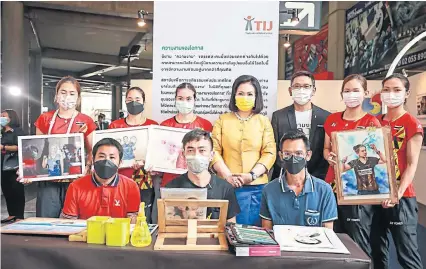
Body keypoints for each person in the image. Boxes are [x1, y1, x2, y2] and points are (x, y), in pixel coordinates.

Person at [323, 74, 381, 259]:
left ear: (366, 93)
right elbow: (326, 148)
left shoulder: (371, 123)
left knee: (357, 240)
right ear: (342, 94)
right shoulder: (332, 119)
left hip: (358, 190)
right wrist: (329, 157)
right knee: (331, 236)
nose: (351, 94)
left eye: (356, 90)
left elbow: (377, 158)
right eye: (347, 91)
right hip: (332, 187)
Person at [23, 76, 97, 218]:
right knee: (46, 220)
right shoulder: (45, 118)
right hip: (49, 179)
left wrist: (87, 167)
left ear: (78, 97)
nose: (67, 96)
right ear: (56, 95)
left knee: (74, 220)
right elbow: (36, 149)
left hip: (76, 180)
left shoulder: (85, 121)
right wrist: (28, 170)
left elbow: (92, 151)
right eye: (63, 92)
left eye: (72, 93)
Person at [371, 74, 423, 269]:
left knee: (406, 254)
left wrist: (396, 194)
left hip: (401, 197)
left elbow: (411, 165)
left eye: (396, 90)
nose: (390, 94)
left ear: (406, 93)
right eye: (386, 90)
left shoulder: (411, 123)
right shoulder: (375, 122)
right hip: (375, 195)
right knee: (377, 250)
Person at [211, 75, 276, 226]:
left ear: (256, 97)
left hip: (255, 187)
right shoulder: (222, 120)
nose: (244, 97)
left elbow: (269, 152)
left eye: (249, 94)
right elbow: (214, 150)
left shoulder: (263, 121)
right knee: (225, 233)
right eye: (240, 93)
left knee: (251, 234)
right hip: (226, 185)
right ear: (234, 95)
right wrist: (227, 176)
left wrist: (251, 175)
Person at [260, 130, 337, 229]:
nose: (293, 158)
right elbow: (268, 233)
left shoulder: (324, 190)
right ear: (281, 156)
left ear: (308, 155)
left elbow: (328, 234)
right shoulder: (269, 190)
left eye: (298, 153)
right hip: (281, 244)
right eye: (287, 153)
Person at [166, 129, 240, 222]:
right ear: (183, 154)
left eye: (202, 150)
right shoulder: (172, 188)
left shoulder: (225, 188)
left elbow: (231, 226)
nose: (196, 155)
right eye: (190, 150)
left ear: (211, 155)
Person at [109, 86, 159, 223]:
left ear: (144, 102)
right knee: (119, 216)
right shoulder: (115, 126)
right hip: (120, 177)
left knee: (142, 216)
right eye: (130, 99)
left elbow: (156, 152)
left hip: (144, 179)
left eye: (137, 99)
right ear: (125, 102)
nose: (133, 102)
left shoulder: (153, 126)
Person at [60, 138, 140, 222]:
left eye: (112, 157)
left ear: (120, 162)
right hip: (85, 234)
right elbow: (69, 223)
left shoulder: (131, 186)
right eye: (101, 156)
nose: (106, 161)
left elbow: (133, 224)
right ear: (93, 159)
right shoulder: (75, 186)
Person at [271, 71, 330, 181]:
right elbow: (275, 149)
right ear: (290, 90)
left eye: (306, 86)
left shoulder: (326, 117)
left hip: (318, 177)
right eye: (296, 86)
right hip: (286, 178)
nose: (301, 90)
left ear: (313, 90)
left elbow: (325, 149)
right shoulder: (279, 116)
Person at [160, 82, 213, 188]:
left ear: (194, 100)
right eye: (180, 98)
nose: (184, 102)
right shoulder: (165, 125)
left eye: (188, 99)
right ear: (175, 100)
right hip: (171, 181)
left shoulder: (205, 125)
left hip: (198, 181)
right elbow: (160, 155)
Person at [1, 109, 26, 223]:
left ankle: (19, 215)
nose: (1, 118)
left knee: (17, 190)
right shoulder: (2, 131)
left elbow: (22, 146)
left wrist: (4, 148)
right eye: (1, 116)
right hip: (2, 164)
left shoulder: (17, 131)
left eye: (4, 116)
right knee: (6, 190)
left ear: (11, 118)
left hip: (14, 165)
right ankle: (11, 214)